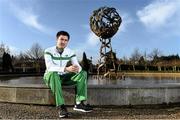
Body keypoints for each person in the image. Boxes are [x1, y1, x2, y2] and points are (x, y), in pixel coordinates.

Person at [43, 31, 93, 118]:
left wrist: (77, 68)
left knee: (83, 73)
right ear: (57, 39)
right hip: (50, 77)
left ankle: (79, 103)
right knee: (53, 74)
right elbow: (50, 67)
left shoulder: (70, 51)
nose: (63, 42)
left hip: (63, 76)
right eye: (61, 39)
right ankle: (61, 106)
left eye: (66, 40)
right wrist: (66, 68)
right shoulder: (48, 51)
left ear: (68, 41)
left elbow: (76, 64)